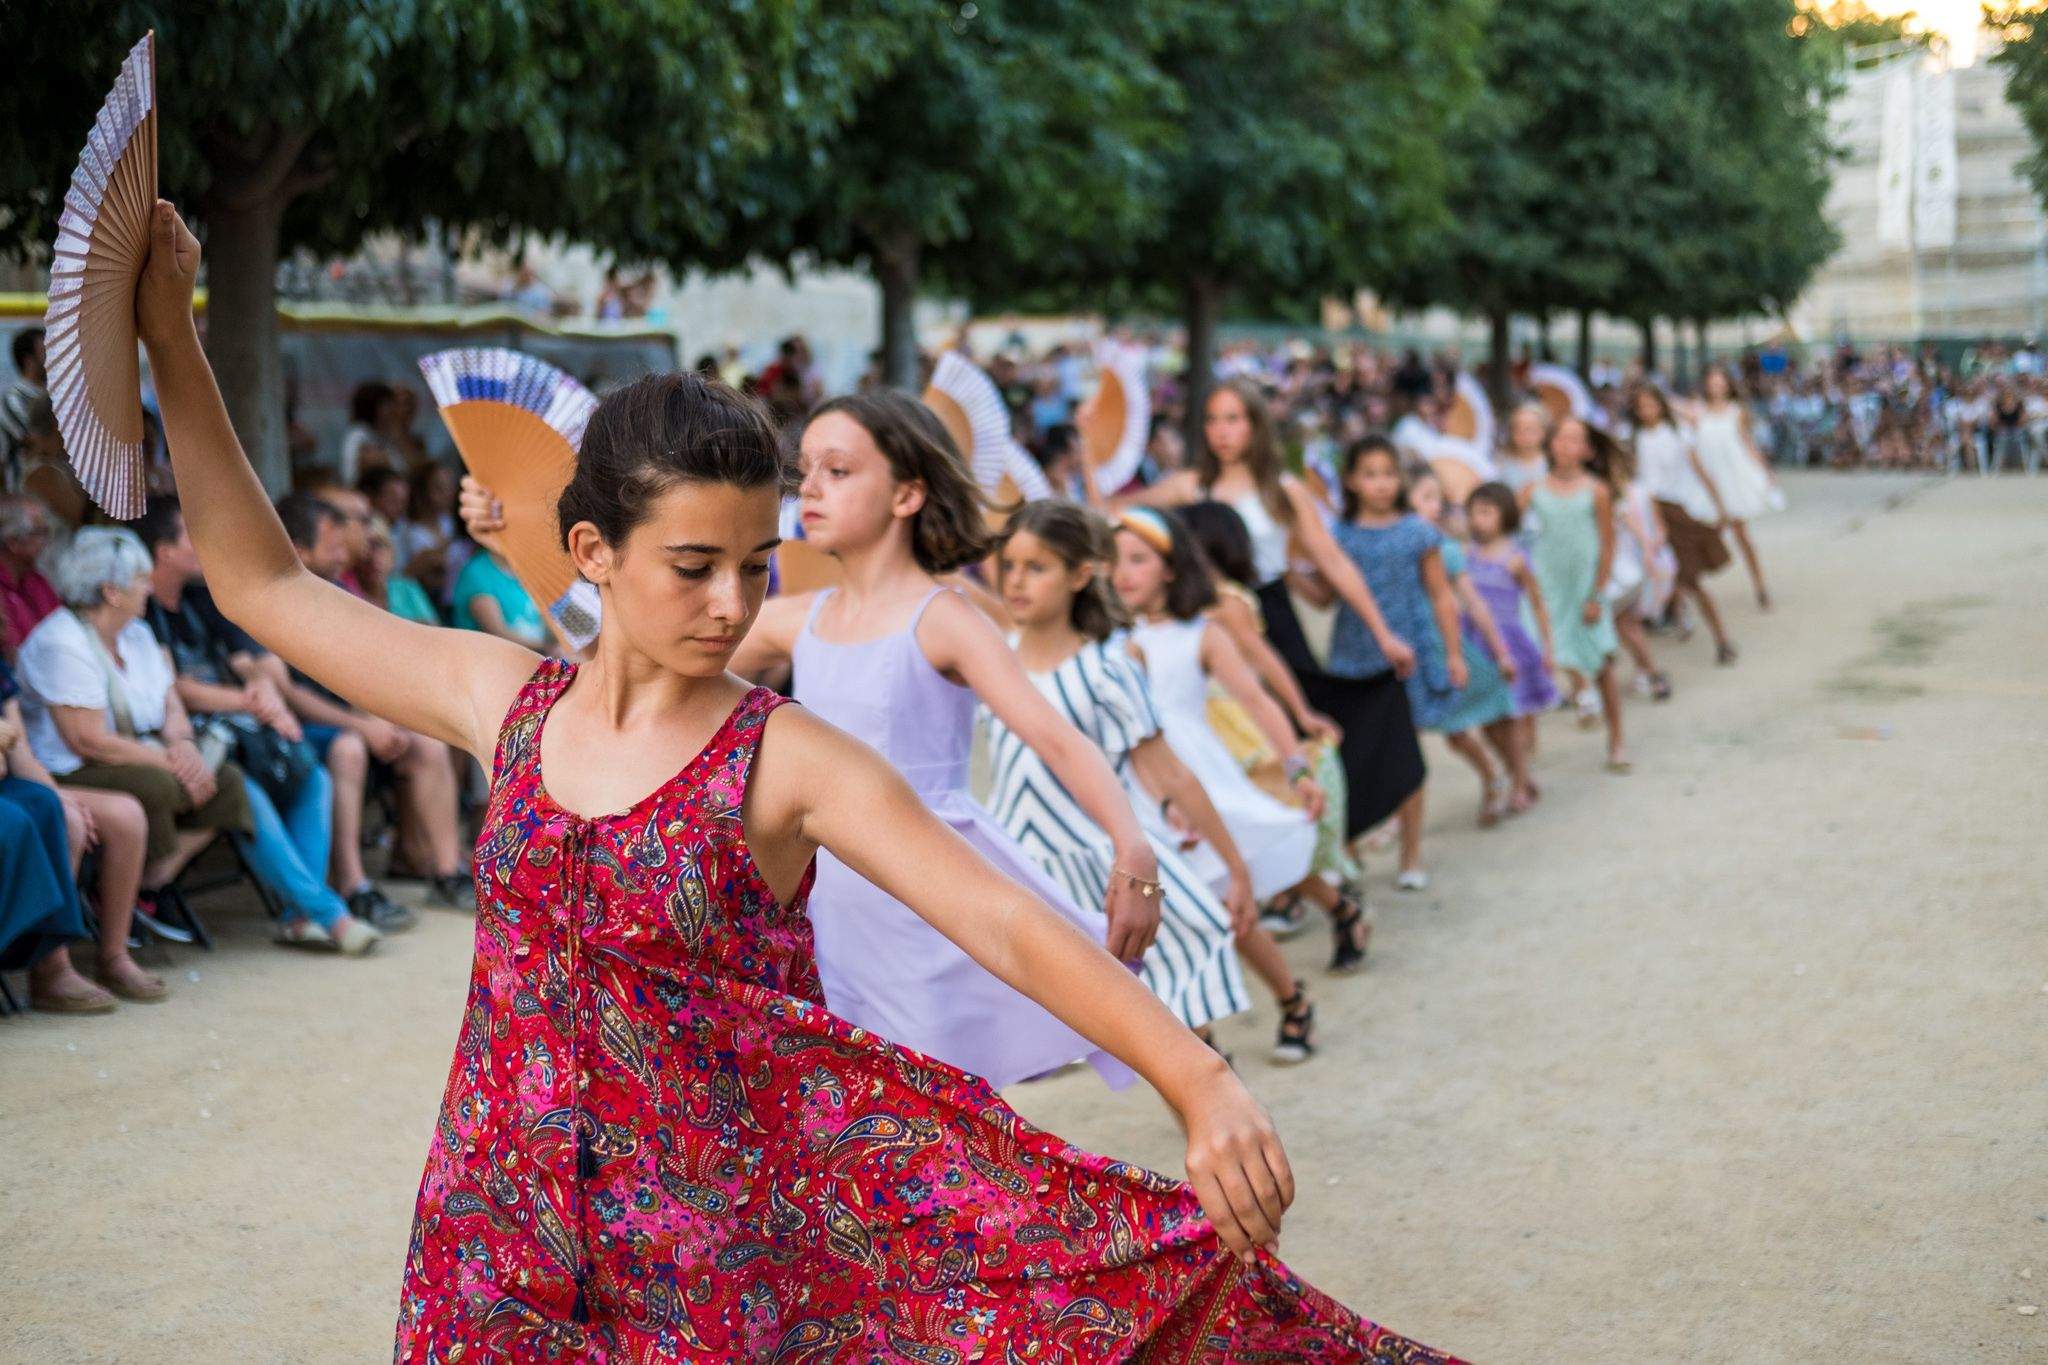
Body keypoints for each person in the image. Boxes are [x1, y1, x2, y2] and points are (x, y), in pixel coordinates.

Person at [134, 200, 1453, 1361]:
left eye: (757, 563)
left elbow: (998, 916)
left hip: (711, 1260)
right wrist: (174, 339)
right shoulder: (502, 702)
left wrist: (1197, 1079)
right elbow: (261, 581)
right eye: (694, 565)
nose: (732, 601)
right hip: (494, 1232)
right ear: (591, 550)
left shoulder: (783, 756)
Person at [724, 389, 1167, 1089]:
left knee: (937, 1111)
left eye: (837, 470)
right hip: (828, 904)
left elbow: (1055, 737)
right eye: (804, 469)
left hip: (929, 895)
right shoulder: (794, 618)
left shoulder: (945, 618)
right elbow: (645, 661)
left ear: (907, 494)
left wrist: (1133, 848)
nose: (808, 487)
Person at [988, 500, 1328, 1065]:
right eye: (1009, 566)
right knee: (1144, 980)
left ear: (1078, 576)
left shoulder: (1122, 658)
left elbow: (1181, 754)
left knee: (1207, 922)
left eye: (1036, 567)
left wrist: (1243, 856)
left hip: (1137, 822)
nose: (1016, 581)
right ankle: (1203, 1057)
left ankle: (1286, 1003)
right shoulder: (992, 656)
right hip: (1043, 852)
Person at [16, 527, 381, 953]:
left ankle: (148, 881)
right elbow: (88, 741)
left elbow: (170, 703)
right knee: (173, 786)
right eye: (138, 580)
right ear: (111, 591)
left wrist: (184, 747)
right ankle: (326, 913)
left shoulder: (136, 634)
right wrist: (172, 761)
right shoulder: (62, 641)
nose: (146, 588)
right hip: (79, 764)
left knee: (227, 782)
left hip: (147, 751)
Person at [1120, 379, 1421, 865]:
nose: (1222, 431)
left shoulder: (1282, 489)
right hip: (1209, 617)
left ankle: (1323, 851)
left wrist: (1383, 633)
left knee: (1300, 732)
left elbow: (1333, 561)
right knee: (1232, 743)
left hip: (1269, 618)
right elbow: (1120, 518)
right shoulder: (1190, 485)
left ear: (1256, 425)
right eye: (1213, 419)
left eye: (1234, 418)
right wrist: (1092, 464)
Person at [132, 497, 414, 933]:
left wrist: (265, 694)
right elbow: (177, 689)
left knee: (311, 773)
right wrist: (249, 702)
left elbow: (249, 664)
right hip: (197, 739)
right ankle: (327, 914)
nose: (205, 544)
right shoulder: (144, 611)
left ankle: (299, 913)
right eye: (191, 534)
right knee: (246, 795)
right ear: (164, 550)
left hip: (241, 731)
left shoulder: (199, 600)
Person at [1112, 508, 1374, 977]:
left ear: (1172, 568)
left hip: (1201, 774)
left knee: (1249, 850)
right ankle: (1270, 1000)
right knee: (1197, 889)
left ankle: (1334, 915)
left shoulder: (1201, 633)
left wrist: (1296, 767)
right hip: (1140, 782)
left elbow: (1255, 698)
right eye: (1115, 561)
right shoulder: (1109, 640)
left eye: (1138, 559)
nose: (1123, 573)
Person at [269, 495, 472, 908]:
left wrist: (382, 718)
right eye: (334, 547)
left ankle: (446, 871)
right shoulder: (273, 600)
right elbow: (291, 694)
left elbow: (363, 668)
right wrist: (362, 725)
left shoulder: (338, 591)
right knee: (350, 750)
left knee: (428, 744)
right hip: (299, 727)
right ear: (297, 547)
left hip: (350, 718)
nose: (344, 555)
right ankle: (352, 882)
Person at [1327, 439, 1465, 890]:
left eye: (1389, 473)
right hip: (1352, 657)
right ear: (1351, 480)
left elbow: (1442, 595)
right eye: (1370, 473)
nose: (1381, 483)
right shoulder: (1338, 535)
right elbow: (1326, 596)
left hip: (1407, 656)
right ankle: (1347, 851)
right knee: (1350, 758)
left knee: (1406, 759)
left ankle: (1410, 856)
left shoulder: (1417, 533)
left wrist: (1453, 653)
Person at [1, 652, 160, 1010]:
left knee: (62, 814)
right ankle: (41, 964)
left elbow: (19, 751)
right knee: (30, 818)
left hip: (10, 782)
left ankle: (67, 966)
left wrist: (62, 799)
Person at [1410, 469, 1527, 827]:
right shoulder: (1398, 547)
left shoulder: (1443, 549)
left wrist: (1500, 651)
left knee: (1496, 721)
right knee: (1454, 731)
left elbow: (1474, 603)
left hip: (1459, 650)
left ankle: (1518, 779)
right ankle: (1493, 777)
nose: (1436, 506)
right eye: (1425, 496)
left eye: (1437, 498)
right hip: (1422, 656)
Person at [1522, 418, 1630, 772]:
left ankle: (1617, 739)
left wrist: (1597, 594)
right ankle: (1526, 748)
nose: (1568, 445)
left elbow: (1607, 546)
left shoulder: (1596, 491)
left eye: (1576, 440)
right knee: (1535, 660)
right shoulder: (1532, 490)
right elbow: (1511, 534)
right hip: (1545, 590)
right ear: (1551, 444)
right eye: (1562, 437)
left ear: (1587, 449)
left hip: (1583, 590)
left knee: (1601, 663)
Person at [1463, 483, 1557, 811]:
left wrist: (1547, 646)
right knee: (1488, 721)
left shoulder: (1515, 559)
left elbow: (1537, 603)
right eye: (1473, 512)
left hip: (1510, 646)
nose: (1478, 520)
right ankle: (1516, 773)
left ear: (1505, 516)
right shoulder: (1464, 555)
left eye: (1486, 512)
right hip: (1476, 647)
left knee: (1514, 717)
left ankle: (1519, 782)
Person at [1628, 384, 1737, 666]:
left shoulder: (1676, 434)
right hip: (1650, 515)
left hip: (1674, 511)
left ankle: (1721, 638)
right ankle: (1677, 617)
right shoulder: (1637, 439)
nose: (1646, 412)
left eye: (1651, 405)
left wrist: (1719, 505)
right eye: (1641, 407)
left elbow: (1699, 470)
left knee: (1691, 579)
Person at [1692, 367, 1775, 610]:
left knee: (1741, 535)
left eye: (1720, 382)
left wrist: (1764, 470)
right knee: (1704, 535)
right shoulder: (1699, 413)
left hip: (1732, 481)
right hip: (1709, 483)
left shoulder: (1737, 413)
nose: (1716, 387)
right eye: (1712, 382)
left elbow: (1747, 444)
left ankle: (1759, 585)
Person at [0, 493, 61, 656]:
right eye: (40, 532)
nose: (46, 540)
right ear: (13, 542)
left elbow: (62, 630)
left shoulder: (37, 581)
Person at [362, 516, 440, 627]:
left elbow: (434, 630)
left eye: (379, 545)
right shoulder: (347, 590)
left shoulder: (406, 588)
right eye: (366, 546)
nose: (373, 556)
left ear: (392, 552)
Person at [2, 327, 47, 491]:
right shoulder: (13, 399)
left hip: (54, 493)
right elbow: (35, 438)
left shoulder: (54, 397)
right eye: (45, 351)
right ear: (29, 360)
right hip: (25, 494)